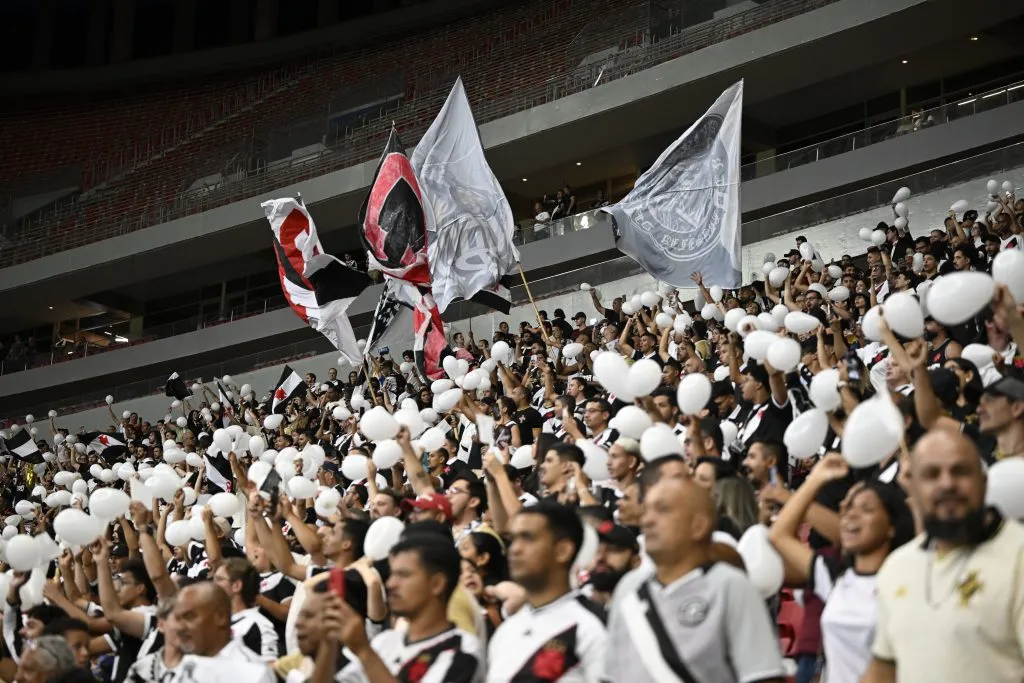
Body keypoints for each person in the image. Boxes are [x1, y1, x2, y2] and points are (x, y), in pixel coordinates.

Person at [862, 430, 1024, 683]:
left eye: (960, 471)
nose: (947, 484)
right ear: (912, 488)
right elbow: (883, 669)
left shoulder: (1019, 556)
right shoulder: (896, 567)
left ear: (984, 482)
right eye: (931, 475)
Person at [606, 475, 786, 683]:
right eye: (647, 510)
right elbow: (613, 674)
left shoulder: (731, 586)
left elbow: (763, 676)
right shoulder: (629, 587)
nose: (647, 520)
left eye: (663, 510)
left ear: (698, 525)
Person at [770, 454, 914, 683]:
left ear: (891, 527)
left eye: (866, 509)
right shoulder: (835, 576)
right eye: (847, 509)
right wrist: (815, 480)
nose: (851, 516)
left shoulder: (904, 581)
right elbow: (779, 535)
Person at [318, 533, 482, 683]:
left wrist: (364, 651)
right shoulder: (384, 642)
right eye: (392, 575)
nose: (390, 584)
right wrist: (328, 643)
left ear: (437, 584)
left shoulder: (463, 649)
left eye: (403, 575)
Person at [487, 502, 606, 682]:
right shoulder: (506, 630)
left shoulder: (594, 626)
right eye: (513, 539)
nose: (514, 549)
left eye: (527, 538)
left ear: (563, 550)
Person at [173, 582, 276, 681]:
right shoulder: (185, 663)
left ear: (220, 617)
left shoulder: (253, 672)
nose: (180, 627)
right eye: (178, 619)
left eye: (190, 617)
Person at [213, 558, 280, 661]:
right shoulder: (217, 622)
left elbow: (269, 669)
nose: (213, 585)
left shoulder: (258, 624)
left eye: (219, 579)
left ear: (236, 586)